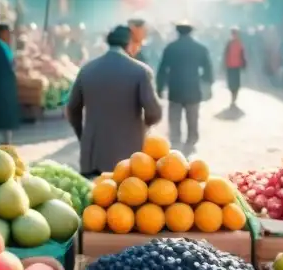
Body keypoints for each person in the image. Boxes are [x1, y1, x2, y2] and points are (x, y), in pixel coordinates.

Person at [66, 25, 163, 176]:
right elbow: (154, 112)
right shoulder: (140, 72)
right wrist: (142, 129)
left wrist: (83, 135)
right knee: (128, 195)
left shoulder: (87, 70)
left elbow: (72, 109)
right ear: (130, 44)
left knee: (95, 196)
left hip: (93, 156)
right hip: (129, 158)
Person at [157, 21, 214, 155]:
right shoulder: (200, 48)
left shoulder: (170, 48)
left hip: (175, 88)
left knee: (175, 117)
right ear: (191, 32)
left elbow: (162, 69)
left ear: (177, 32)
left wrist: (160, 87)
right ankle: (191, 140)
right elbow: (208, 69)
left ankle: (176, 141)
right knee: (192, 116)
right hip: (193, 87)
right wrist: (207, 85)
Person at [223, 27, 247, 109]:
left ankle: (233, 97)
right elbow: (243, 55)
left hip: (232, 66)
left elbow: (225, 54)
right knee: (235, 83)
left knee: (232, 83)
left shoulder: (230, 43)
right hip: (235, 66)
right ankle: (234, 97)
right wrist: (244, 64)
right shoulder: (238, 43)